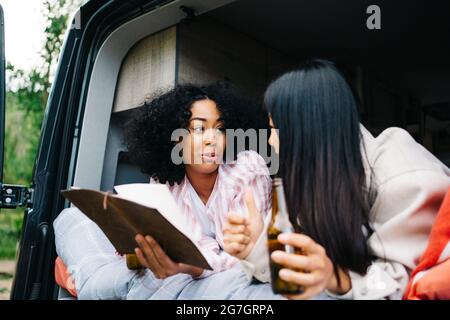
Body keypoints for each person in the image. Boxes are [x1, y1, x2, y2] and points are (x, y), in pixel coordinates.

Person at [223, 59, 450, 300]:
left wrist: (335, 278)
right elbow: (300, 275)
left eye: (273, 129)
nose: (270, 141)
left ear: (302, 129)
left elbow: (405, 286)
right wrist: (257, 246)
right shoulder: (306, 178)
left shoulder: (401, 173)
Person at [54, 82, 275, 299]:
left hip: (226, 274)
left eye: (220, 129)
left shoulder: (247, 169)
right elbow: (181, 244)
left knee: (149, 280)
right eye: (199, 128)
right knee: (71, 217)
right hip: (183, 271)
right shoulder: (165, 180)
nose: (212, 139)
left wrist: (192, 267)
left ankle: (84, 279)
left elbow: (246, 258)